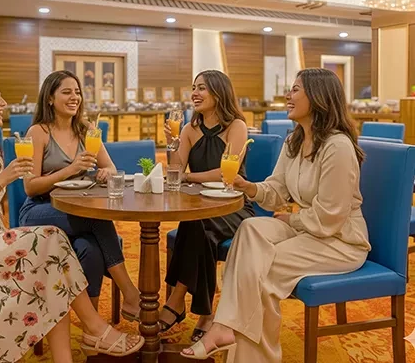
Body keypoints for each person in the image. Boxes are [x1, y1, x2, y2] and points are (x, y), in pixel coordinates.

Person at [0, 73, 144, 363]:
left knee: (52, 258)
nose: (4, 103)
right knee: (52, 238)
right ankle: (95, 327)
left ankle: (69, 354)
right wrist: (2, 180)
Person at [181, 68, 370, 361]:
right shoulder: (294, 141)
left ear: (317, 97)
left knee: (259, 269)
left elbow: (330, 217)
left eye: (295, 90)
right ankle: (224, 329)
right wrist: (249, 187)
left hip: (340, 241)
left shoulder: (338, 147)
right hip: (308, 229)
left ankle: (234, 339)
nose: (287, 95)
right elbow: (278, 190)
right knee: (250, 229)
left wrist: (291, 219)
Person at [19, 70, 141, 321]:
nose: (74, 97)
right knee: (95, 217)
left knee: (90, 249)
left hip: (77, 209)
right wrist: (71, 169)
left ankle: (92, 327)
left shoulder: (86, 129)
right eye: (66, 92)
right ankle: (130, 293)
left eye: (77, 92)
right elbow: (30, 187)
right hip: (40, 210)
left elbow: (111, 167)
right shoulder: (38, 132)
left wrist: (105, 173)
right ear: (50, 98)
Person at [160, 70, 255, 341]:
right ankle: (205, 314)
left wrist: (190, 177)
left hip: (234, 206)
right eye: (194, 88)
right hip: (201, 206)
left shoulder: (236, 126)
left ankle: (176, 300)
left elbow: (226, 173)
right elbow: (176, 171)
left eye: (202, 88)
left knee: (195, 223)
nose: (195, 93)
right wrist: (172, 144)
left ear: (219, 92)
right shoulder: (189, 129)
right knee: (199, 227)